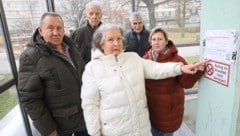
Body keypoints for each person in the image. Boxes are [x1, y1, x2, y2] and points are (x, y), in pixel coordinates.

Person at [81, 23, 205, 136]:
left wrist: (181, 68)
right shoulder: (93, 69)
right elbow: (90, 105)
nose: (116, 43)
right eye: (110, 40)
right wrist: (95, 133)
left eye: (119, 38)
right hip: (115, 131)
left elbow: (157, 69)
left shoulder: (133, 58)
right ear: (100, 43)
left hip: (142, 130)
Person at [18, 12, 88, 136]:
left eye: (59, 28)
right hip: (59, 126)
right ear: (40, 30)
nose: (56, 32)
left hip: (83, 117)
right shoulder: (31, 56)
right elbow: (30, 98)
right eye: (50, 28)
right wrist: (47, 129)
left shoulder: (72, 47)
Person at [143, 27, 204, 136]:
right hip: (151, 113)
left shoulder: (177, 60)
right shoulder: (145, 59)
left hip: (168, 115)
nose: (156, 42)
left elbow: (186, 83)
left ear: (166, 41)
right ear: (150, 41)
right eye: (154, 39)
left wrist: (196, 72)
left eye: (160, 39)